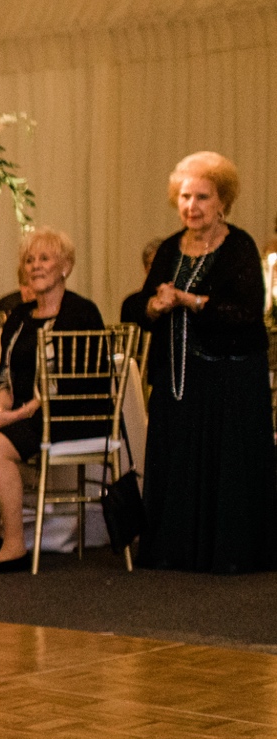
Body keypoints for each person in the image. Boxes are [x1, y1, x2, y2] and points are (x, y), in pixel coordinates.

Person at [126, 152, 277, 572]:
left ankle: (227, 552)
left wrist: (190, 301)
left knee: (225, 463)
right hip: (177, 381)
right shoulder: (169, 249)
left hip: (229, 380)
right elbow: (137, 306)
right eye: (185, 197)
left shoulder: (239, 247)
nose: (192, 206)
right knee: (179, 459)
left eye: (202, 197)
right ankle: (176, 549)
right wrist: (156, 305)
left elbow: (245, 312)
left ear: (222, 202)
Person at [0, 228, 108, 571]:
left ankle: (14, 545)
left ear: (65, 267)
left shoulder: (81, 312)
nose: (35, 266)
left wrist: (13, 418)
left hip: (71, 413)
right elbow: (4, 373)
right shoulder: (20, 317)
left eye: (44, 259)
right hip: (25, 416)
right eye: (29, 260)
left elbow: (70, 384)